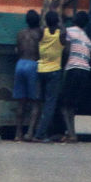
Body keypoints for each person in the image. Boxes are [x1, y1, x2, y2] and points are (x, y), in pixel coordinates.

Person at [58, 11, 91, 143]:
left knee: (64, 104)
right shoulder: (87, 39)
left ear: (74, 20)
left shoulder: (69, 31)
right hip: (84, 71)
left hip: (73, 69)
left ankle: (71, 134)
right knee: (72, 104)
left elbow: (63, 42)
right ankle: (71, 132)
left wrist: (60, 22)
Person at [33, 10, 67, 142]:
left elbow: (41, 27)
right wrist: (61, 21)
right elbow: (64, 31)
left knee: (39, 102)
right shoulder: (61, 35)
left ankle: (34, 131)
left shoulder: (42, 33)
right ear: (58, 22)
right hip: (54, 71)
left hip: (41, 69)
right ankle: (40, 134)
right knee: (50, 104)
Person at [14, 9, 42, 141]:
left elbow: (18, 50)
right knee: (35, 102)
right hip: (32, 64)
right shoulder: (39, 34)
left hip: (20, 64)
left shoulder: (20, 33)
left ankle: (18, 134)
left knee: (21, 102)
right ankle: (30, 133)